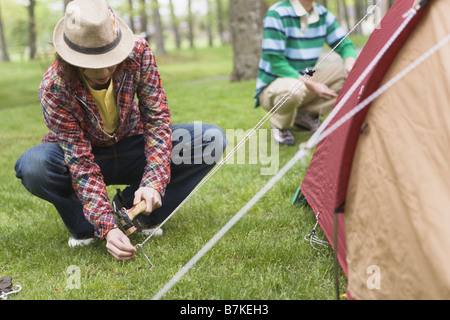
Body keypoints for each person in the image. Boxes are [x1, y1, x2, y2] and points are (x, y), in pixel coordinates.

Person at [14, 0, 227, 261]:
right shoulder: (53, 87)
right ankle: (85, 225)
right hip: (84, 156)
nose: (105, 71)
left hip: (131, 144)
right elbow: (79, 161)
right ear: (71, 58)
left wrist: (153, 182)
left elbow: (157, 120)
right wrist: (107, 227)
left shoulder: (139, 52)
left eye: (111, 61)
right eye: (94, 63)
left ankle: (137, 210)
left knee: (210, 139)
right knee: (34, 165)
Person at [254, 0, 357, 145]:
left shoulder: (323, 14)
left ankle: (305, 115)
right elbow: (277, 64)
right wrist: (314, 86)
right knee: (293, 89)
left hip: (303, 82)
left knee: (354, 73)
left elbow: (345, 45)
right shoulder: (276, 14)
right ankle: (280, 126)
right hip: (274, 88)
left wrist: (349, 62)